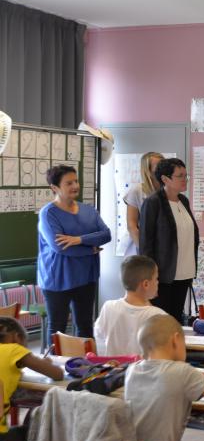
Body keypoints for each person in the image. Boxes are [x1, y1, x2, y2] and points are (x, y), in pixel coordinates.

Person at [37, 164, 111, 341]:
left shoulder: (88, 210)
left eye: (76, 181)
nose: (75, 186)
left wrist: (78, 240)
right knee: (58, 328)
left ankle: (88, 365)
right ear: (54, 188)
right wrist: (91, 248)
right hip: (58, 278)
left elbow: (106, 234)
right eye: (68, 183)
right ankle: (55, 366)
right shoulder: (48, 214)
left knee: (85, 325)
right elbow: (60, 247)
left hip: (86, 276)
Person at [139, 158, 199, 324]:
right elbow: (146, 244)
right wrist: (150, 276)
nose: (184, 180)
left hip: (185, 273)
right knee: (161, 322)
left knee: (176, 321)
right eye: (180, 176)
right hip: (163, 276)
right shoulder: (153, 203)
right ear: (165, 179)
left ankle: (175, 350)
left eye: (186, 175)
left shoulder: (184, 201)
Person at [0, 317, 64, 433]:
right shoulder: (14, 350)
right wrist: (44, 364)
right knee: (36, 427)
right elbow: (58, 374)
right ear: (17, 337)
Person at [94, 255, 165, 355]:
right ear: (146, 284)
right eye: (156, 278)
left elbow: (98, 338)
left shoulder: (108, 307)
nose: (158, 282)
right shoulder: (158, 316)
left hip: (111, 367)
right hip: (142, 370)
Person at [124, 151, 164, 256]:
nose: (162, 169)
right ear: (148, 171)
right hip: (140, 251)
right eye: (158, 166)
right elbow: (131, 226)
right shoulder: (137, 191)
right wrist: (145, 251)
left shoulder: (167, 192)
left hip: (162, 250)